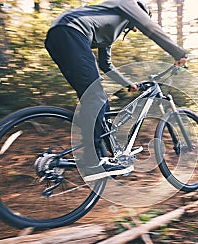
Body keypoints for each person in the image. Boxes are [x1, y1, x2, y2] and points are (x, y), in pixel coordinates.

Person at [45, 0, 188, 181]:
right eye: (137, 21)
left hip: (58, 37)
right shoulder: (126, 3)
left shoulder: (107, 27)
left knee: (95, 101)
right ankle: (92, 161)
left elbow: (106, 64)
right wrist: (179, 53)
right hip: (71, 32)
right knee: (96, 97)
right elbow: (149, 26)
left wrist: (128, 83)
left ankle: (100, 157)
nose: (135, 29)